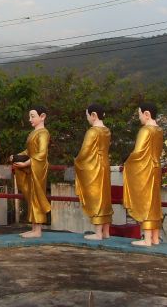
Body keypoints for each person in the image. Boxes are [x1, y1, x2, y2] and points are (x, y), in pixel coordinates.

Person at [123, 102, 163, 247]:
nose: (139, 117)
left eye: (139, 114)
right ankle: (155, 238)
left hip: (145, 169)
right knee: (154, 202)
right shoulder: (159, 130)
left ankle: (147, 239)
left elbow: (138, 152)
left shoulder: (145, 130)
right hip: (156, 168)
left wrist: (127, 161)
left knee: (145, 201)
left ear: (147, 114)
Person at [74, 103, 113, 240]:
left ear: (94, 115)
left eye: (87, 116)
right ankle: (106, 231)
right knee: (105, 197)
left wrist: (77, 160)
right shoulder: (107, 131)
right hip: (105, 165)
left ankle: (98, 232)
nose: (87, 119)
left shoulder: (92, 131)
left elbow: (84, 152)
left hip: (95, 166)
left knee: (96, 197)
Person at [12, 105, 51, 238]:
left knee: (36, 196)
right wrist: (17, 156)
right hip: (31, 167)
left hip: (38, 167)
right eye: (30, 116)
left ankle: (38, 229)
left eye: (32, 116)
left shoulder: (44, 133)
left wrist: (25, 163)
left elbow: (41, 154)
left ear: (42, 117)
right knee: (31, 196)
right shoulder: (33, 133)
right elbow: (29, 151)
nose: (30, 119)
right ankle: (34, 228)